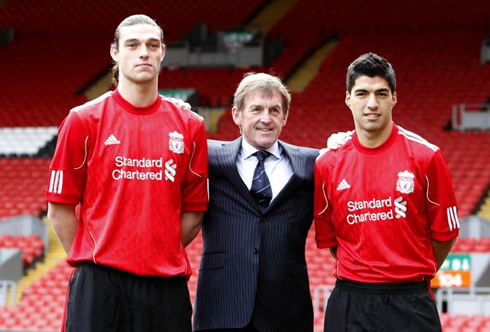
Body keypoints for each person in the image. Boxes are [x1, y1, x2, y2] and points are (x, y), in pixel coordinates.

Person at [45, 14, 208, 332]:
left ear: (163, 53)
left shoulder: (191, 126)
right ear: (115, 53)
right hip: (100, 284)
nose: (143, 52)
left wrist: (155, 249)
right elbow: (60, 209)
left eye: (152, 45)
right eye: (132, 45)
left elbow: (193, 211)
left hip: (165, 285)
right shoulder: (83, 120)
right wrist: (97, 258)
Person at [314, 52, 460, 332]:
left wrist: (408, 274)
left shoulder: (427, 157)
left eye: (381, 93)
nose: (372, 104)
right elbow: (333, 240)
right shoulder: (327, 164)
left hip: (410, 302)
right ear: (348, 98)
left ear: (394, 97)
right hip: (350, 300)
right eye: (362, 94)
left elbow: (446, 234)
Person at [193, 73, 317, 332]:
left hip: (286, 310)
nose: (266, 118)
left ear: (284, 116)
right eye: (256, 109)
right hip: (221, 307)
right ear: (237, 115)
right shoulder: (208, 156)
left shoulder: (311, 163)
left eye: (274, 110)